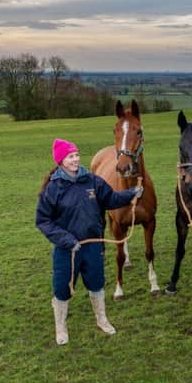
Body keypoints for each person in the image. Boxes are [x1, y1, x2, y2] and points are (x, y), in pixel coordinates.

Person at [36, 138, 143, 345]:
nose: (76, 159)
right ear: (61, 161)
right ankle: (61, 326)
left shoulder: (91, 180)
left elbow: (110, 199)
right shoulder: (54, 187)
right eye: (70, 156)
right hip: (67, 250)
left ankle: (102, 319)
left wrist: (131, 194)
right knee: (62, 289)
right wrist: (67, 240)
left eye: (76, 155)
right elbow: (43, 221)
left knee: (97, 283)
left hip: (93, 245)